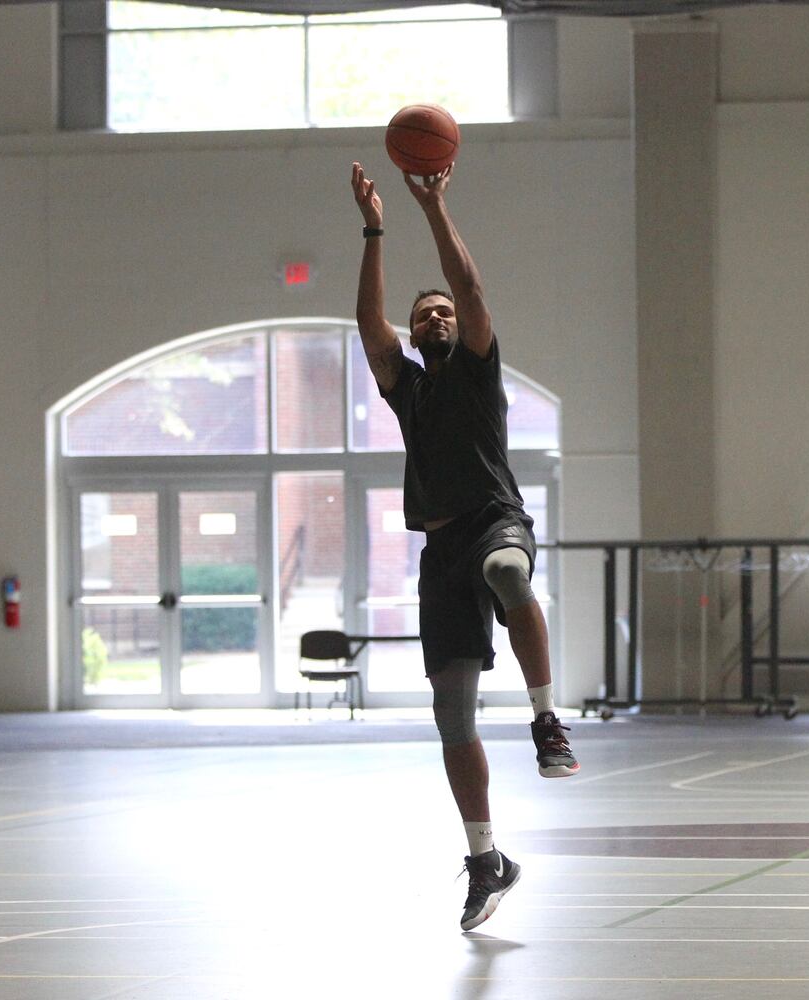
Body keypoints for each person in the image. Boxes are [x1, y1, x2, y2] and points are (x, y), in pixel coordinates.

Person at [350, 160, 579, 932]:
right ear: (412, 337)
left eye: (443, 312)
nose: (437, 319)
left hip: (492, 517)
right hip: (437, 550)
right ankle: (487, 859)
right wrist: (374, 229)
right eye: (425, 317)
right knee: (453, 719)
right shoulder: (406, 386)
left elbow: (474, 291)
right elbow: (366, 323)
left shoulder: (478, 372)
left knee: (507, 568)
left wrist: (433, 207)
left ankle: (547, 719)